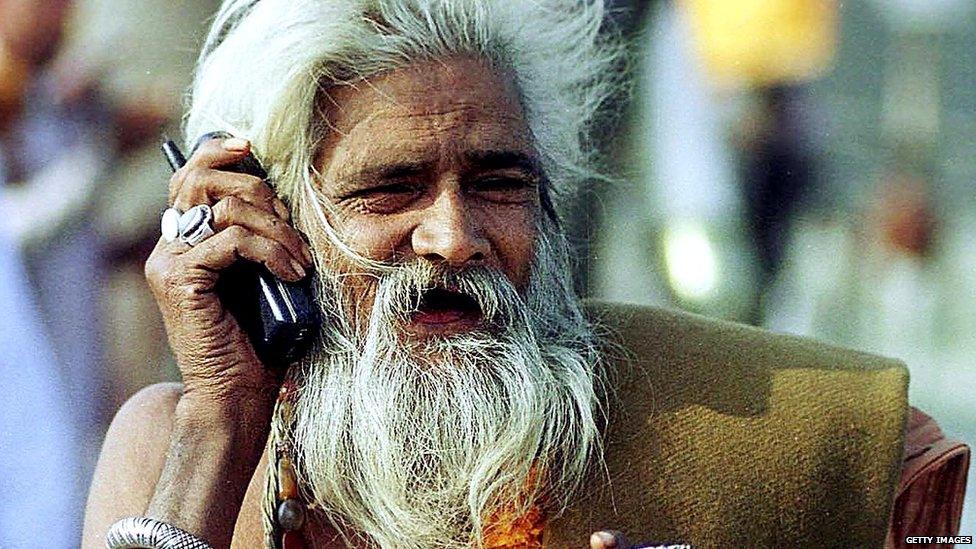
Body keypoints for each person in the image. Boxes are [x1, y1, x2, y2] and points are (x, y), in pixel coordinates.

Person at [82, 1, 969, 548]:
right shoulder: (181, 447)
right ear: (265, 214)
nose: (455, 237)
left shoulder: (746, 420)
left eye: (498, 183)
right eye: (392, 187)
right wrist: (218, 428)